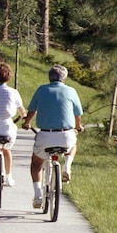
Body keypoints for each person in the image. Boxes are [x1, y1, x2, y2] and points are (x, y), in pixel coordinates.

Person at [22, 65, 84, 208]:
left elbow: (31, 110)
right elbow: (77, 114)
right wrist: (78, 126)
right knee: (73, 144)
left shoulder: (41, 89)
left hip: (45, 134)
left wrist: (26, 123)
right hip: (66, 135)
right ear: (65, 78)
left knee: (37, 163)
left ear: (49, 77)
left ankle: (38, 195)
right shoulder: (71, 91)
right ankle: (67, 166)